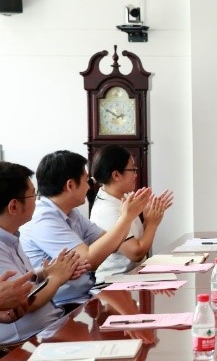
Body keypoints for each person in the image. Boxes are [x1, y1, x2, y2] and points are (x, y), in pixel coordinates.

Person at [20, 150, 150, 307]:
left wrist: (128, 217)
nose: (89, 187)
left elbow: (112, 243)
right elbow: (88, 261)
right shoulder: (44, 219)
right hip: (62, 305)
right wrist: (127, 218)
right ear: (70, 185)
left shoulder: (71, 212)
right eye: (86, 180)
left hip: (84, 296)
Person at [0, 161, 83, 344]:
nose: (37, 201)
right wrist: (57, 277)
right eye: (33, 195)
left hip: (50, 327)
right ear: (14, 207)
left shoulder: (11, 236)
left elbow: (22, 281)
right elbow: (26, 300)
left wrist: (44, 273)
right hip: (26, 343)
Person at [88, 145, 173, 282]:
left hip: (133, 278)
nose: (136, 174)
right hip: (113, 283)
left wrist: (148, 219)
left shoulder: (124, 198)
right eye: (133, 169)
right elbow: (136, 253)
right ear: (116, 175)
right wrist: (152, 224)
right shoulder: (106, 210)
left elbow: (138, 241)